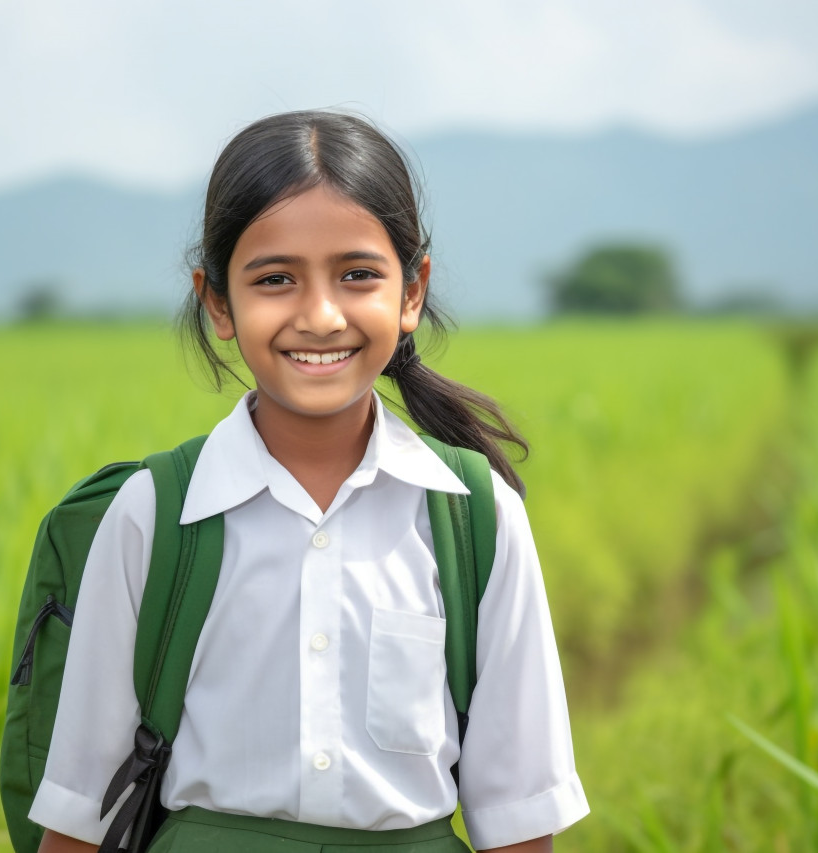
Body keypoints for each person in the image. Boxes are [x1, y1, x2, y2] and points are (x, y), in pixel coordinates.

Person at [29, 110, 589, 853]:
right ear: (218, 301)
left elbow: (518, 820)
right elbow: (80, 816)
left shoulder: (473, 519)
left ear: (412, 291)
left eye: (358, 275)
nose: (320, 316)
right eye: (275, 279)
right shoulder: (154, 515)